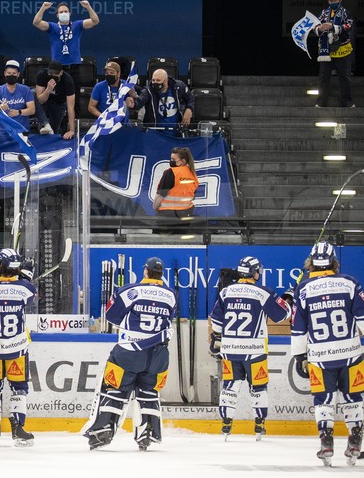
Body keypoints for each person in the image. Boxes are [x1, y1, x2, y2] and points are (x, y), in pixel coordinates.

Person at [83, 257, 176, 451]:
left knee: (114, 388)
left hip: (129, 352)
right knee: (149, 392)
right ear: (162, 273)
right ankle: (148, 431)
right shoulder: (171, 294)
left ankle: (104, 429)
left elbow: (112, 315)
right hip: (159, 354)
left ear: (145, 271)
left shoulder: (130, 291)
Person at [291, 242, 364, 466]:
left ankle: (326, 440)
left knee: (323, 400)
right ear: (334, 262)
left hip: (320, 357)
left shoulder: (303, 289)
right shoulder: (349, 283)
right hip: (351, 353)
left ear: (311, 263)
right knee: (354, 397)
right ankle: (355, 438)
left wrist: (299, 356)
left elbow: (298, 328)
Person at [208, 256, 291, 440]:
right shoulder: (262, 292)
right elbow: (282, 315)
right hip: (255, 350)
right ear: (254, 272)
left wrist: (217, 338)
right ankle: (259, 424)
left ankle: (226, 424)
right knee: (258, 387)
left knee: (230, 386)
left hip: (230, 349)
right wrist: (288, 300)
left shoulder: (226, 292)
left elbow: (216, 321)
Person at [0, 249, 37, 447]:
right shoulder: (26, 288)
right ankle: (18, 428)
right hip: (17, 349)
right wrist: (25, 276)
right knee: (19, 390)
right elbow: (29, 294)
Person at [32, 0, 99, 81]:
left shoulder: (77, 25)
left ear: (69, 14)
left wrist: (88, 7)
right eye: (61, 12)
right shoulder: (52, 27)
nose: (63, 13)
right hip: (57, 67)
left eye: (65, 11)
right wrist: (43, 8)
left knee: (74, 92)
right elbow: (36, 22)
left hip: (74, 66)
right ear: (57, 15)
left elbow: (95, 21)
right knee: (58, 93)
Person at [315, 0, 355, 107]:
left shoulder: (345, 13)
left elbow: (349, 25)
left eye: (336, 0)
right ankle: (321, 102)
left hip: (342, 50)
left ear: (340, 0)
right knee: (323, 78)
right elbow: (315, 24)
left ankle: (346, 102)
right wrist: (320, 28)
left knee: (345, 78)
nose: (333, 2)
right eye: (331, 1)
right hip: (326, 51)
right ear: (328, 1)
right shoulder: (324, 13)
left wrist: (333, 27)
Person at [131, 68, 193, 133]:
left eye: (158, 80)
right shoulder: (148, 91)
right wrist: (133, 104)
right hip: (156, 133)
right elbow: (140, 101)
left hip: (177, 132)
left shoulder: (178, 86)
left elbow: (190, 98)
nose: (155, 83)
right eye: (153, 80)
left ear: (166, 80)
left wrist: (189, 109)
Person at [33, 61, 76, 138]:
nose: (53, 76)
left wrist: (71, 130)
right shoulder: (42, 75)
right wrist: (48, 90)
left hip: (59, 103)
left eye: (56, 74)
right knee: (32, 93)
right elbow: (40, 100)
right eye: (51, 73)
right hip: (44, 102)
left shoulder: (67, 80)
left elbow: (70, 107)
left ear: (61, 73)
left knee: (53, 130)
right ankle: (45, 124)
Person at [154, 147, 199, 220]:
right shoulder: (193, 173)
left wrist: (155, 207)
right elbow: (192, 195)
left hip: (168, 214)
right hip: (186, 211)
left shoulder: (170, 172)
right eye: (171, 159)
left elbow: (160, 195)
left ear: (183, 161)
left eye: (173, 159)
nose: (171, 161)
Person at [0, 60, 35, 132]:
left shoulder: (26, 90)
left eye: (14, 73)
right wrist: (1, 108)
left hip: (22, 130)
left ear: (18, 74)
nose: (11, 75)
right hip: (3, 130)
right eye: (9, 73)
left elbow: (32, 110)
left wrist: (19, 112)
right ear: (5, 74)